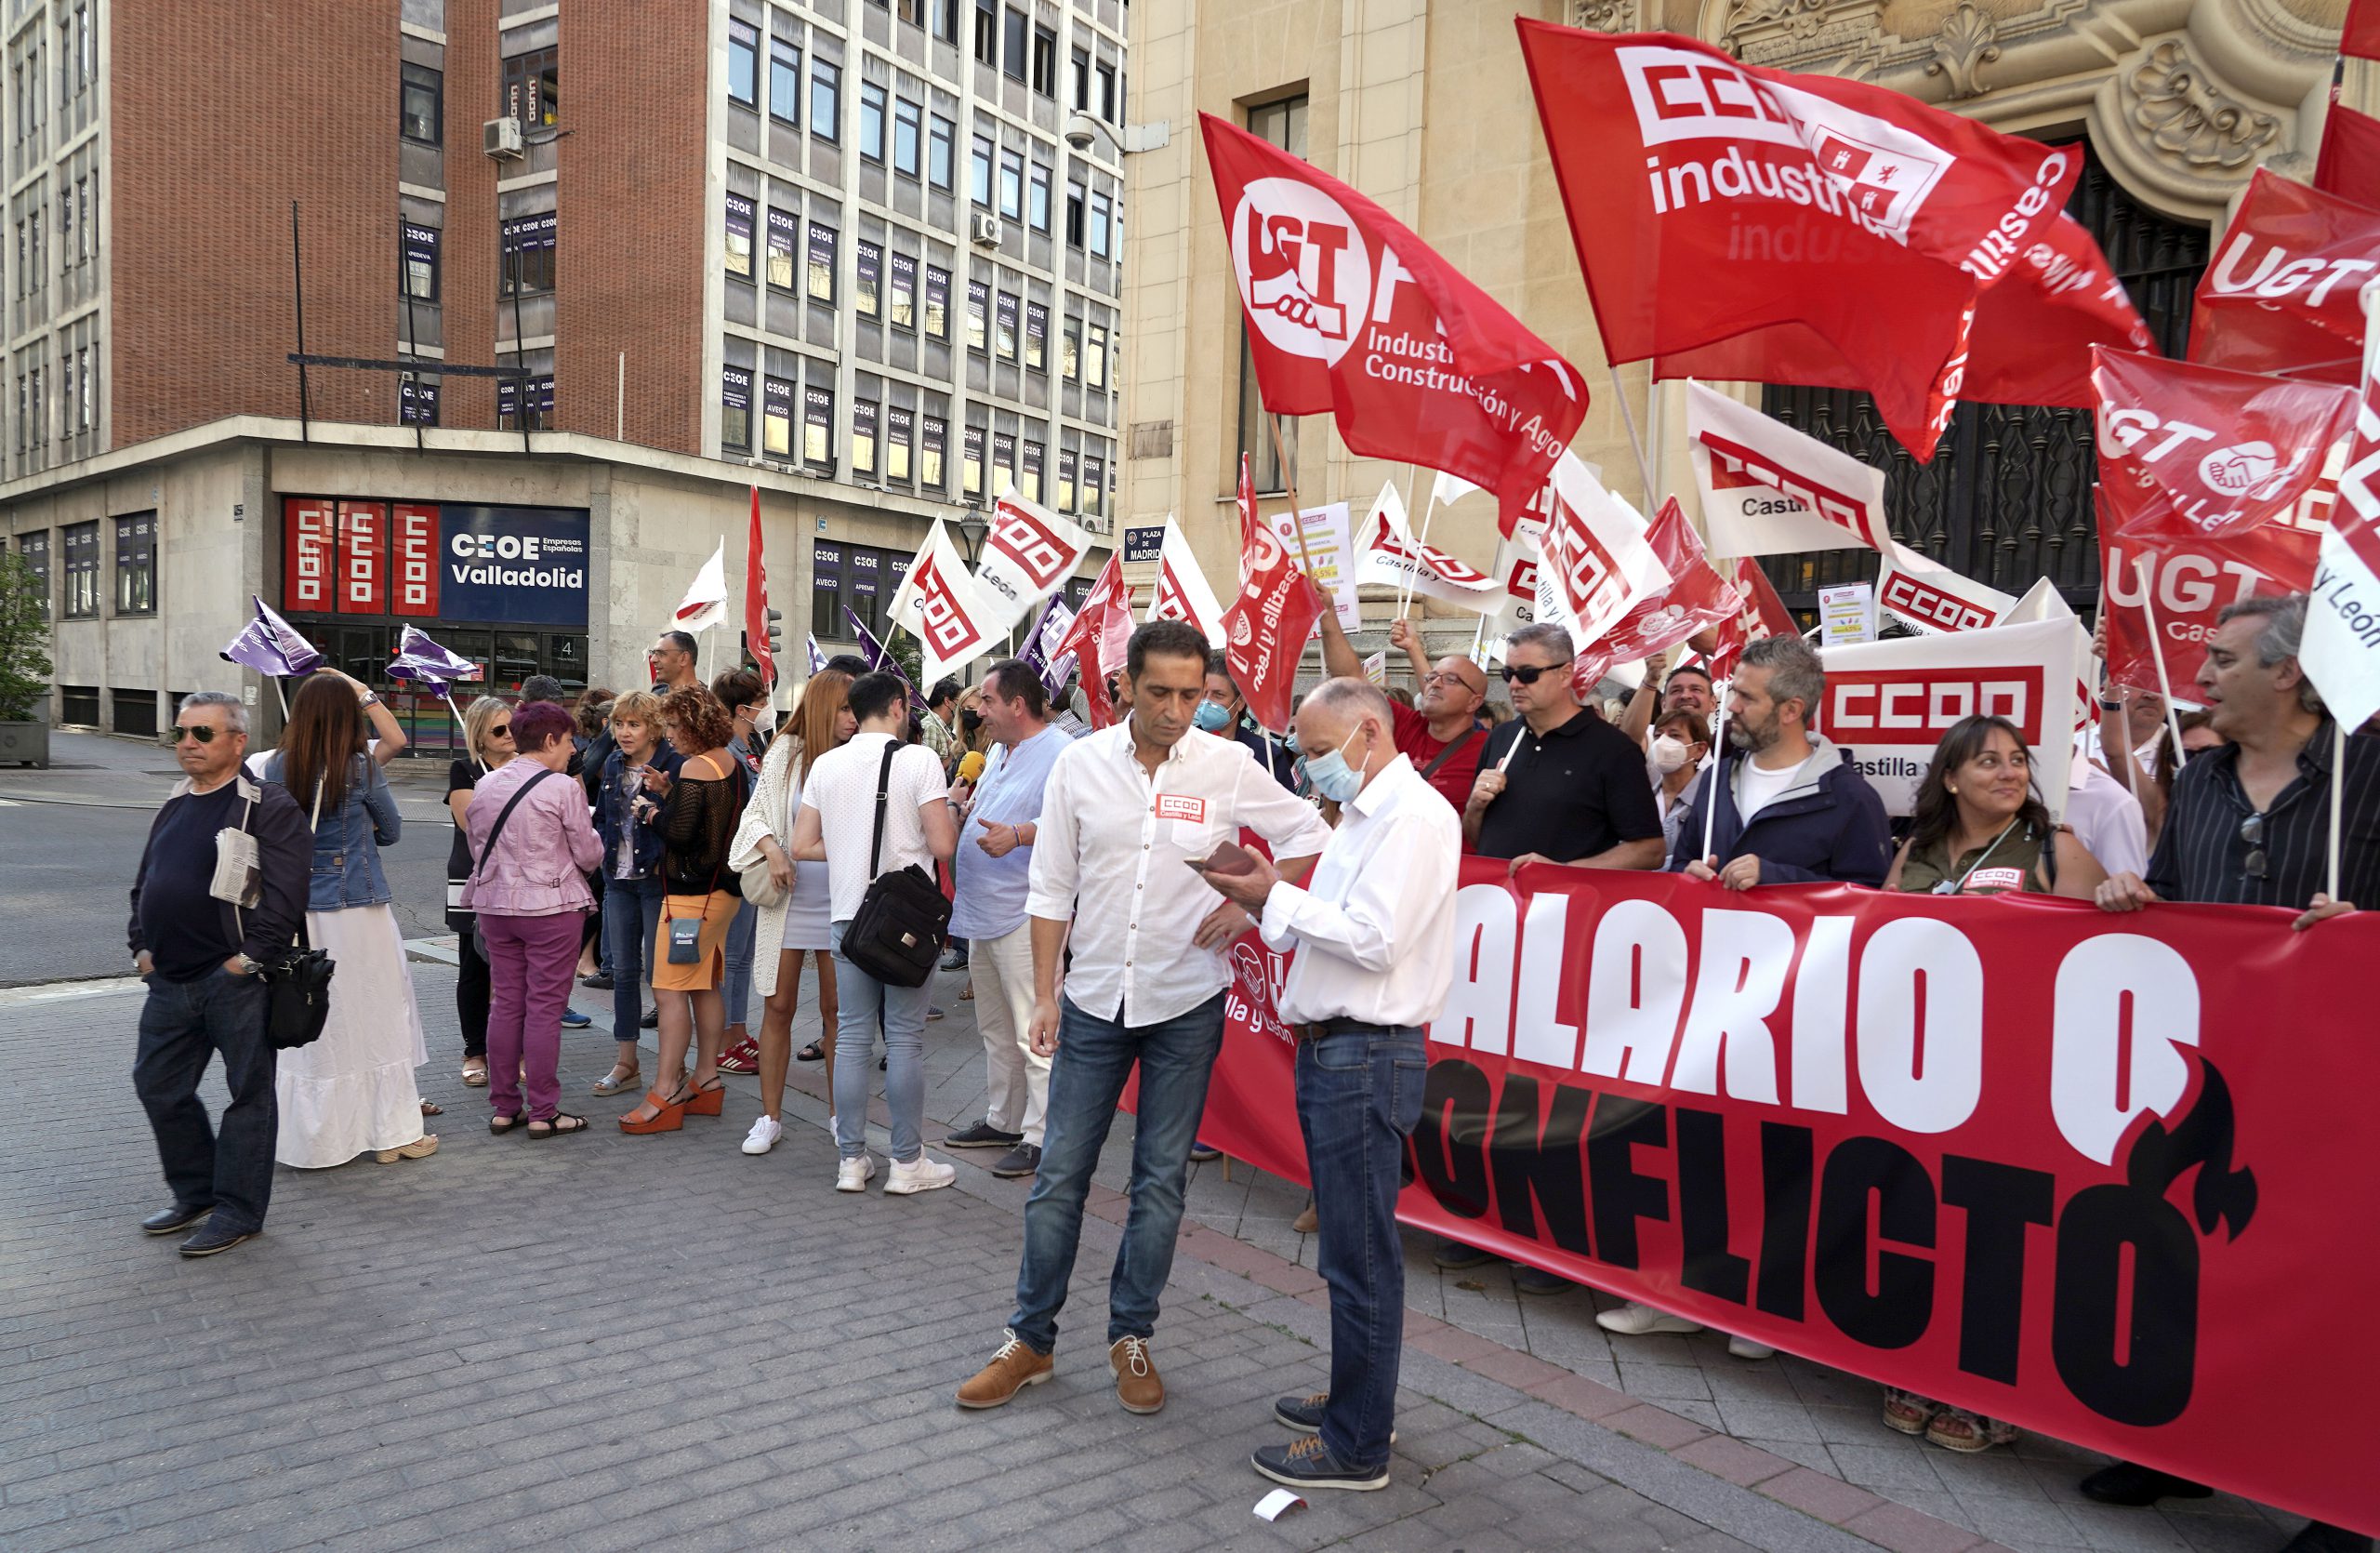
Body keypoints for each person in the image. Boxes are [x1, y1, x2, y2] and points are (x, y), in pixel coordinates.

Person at [955, 620, 1330, 1415]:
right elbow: (1052, 884)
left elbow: (1312, 831)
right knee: (1059, 1177)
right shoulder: (1081, 765)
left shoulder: (1229, 764)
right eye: (1160, 691)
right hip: (1092, 999)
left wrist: (1252, 905)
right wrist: (1048, 994)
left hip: (1186, 1000)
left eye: (1193, 694)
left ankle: (1133, 1335)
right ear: (1125, 685)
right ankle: (1031, 1340)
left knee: (1159, 1184)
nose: (1176, 708)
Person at [2089, 595, 2377, 1553]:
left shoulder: (2367, 775)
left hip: (2338, 1083)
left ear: (2287, 671)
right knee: (2195, 1252)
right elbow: (2174, 896)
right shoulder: (2201, 777)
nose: (2199, 675)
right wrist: (2133, 894)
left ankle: (2342, 1495)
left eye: (2218, 658)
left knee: (2330, 1276)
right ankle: (2184, 1446)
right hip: (2212, 1074)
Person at [1200, 678, 1461, 1493]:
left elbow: (1375, 942)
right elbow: (1333, 923)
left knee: (1361, 1259)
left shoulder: (1415, 819)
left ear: (1371, 734)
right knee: (1349, 1252)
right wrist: (1268, 895)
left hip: (1366, 1052)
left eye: (1318, 753)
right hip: (1339, 1050)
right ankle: (1356, 1400)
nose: (1312, 772)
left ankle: (1357, 1444)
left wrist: (1273, 895)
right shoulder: (1371, 815)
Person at [1868, 713, 2108, 1453]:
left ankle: (1994, 1393)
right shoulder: (1915, 847)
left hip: (2018, 1070)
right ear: (1949, 778)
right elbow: (1873, 937)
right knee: (1927, 1217)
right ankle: (1926, 1366)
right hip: (1924, 1067)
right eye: (1987, 763)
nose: (2007, 774)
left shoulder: (2056, 847)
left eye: (2016, 761)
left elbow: (2102, 953)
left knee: (2000, 1229)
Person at [127, 692, 311, 1258]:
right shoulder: (176, 801)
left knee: (248, 1097)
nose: (188, 743)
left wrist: (246, 960)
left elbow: (286, 894)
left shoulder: (266, 806)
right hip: (169, 979)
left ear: (238, 741)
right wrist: (140, 945)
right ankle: (197, 1193)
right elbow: (146, 879)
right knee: (158, 1086)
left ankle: (237, 1210)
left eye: (202, 733)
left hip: (233, 980)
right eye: (181, 733)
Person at [787, 670, 959, 1192]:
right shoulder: (917, 759)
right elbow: (943, 845)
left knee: (854, 1036)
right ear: (900, 706)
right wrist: (953, 809)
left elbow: (801, 844)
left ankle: (851, 1161)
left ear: (855, 711)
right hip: (904, 918)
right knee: (905, 1039)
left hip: (848, 917)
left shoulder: (827, 764)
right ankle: (908, 1164)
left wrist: (850, 850)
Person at [260, 670, 440, 1169]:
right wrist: (364, 693)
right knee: (376, 1017)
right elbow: (392, 831)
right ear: (346, 716)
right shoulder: (359, 766)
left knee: (317, 1021)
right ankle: (390, 1132)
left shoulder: (272, 765)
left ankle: (315, 1139)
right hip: (358, 908)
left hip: (299, 912)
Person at [940, 660, 1069, 1179]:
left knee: (1033, 1029)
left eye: (988, 702)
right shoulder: (995, 751)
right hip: (982, 911)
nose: (978, 710)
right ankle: (1005, 1118)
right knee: (996, 1028)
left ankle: (1043, 1137)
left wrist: (1017, 835)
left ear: (1018, 704)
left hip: (1026, 913)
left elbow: (1074, 821)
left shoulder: (1063, 752)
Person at [461, 699, 604, 1140]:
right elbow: (588, 854)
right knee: (543, 1007)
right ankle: (543, 1110)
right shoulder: (562, 788)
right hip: (551, 908)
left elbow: (476, 846)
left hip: (495, 906)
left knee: (505, 1003)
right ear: (548, 740)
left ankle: (505, 1108)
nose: (571, 751)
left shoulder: (486, 785)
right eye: (567, 742)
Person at [728, 668, 853, 1154]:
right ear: (823, 708)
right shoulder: (787, 751)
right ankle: (770, 1117)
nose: (851, 718)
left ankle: (843, 1115)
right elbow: (754, 814)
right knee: (778, 1006)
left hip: (842, 899)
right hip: (789, 899)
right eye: (844, 708)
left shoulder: (858, 756)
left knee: (837, 1013)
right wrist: (774, 851)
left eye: (855, 709)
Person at [1666, 632, 1893, 888]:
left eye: (1747, 697)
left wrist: (1774, 877)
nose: (1733, 707)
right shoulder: (1716, 778)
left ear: (1791, 710)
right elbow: (1683, 860)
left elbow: (1868, 899)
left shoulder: (1851, 797)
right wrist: (1687, 873)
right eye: (1734, 693)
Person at [616, 687, 745, 1134]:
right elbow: (712, 819)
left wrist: (651, 811)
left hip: (693, 896)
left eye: (672, 726)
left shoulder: (696, 765)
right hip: (719, 893)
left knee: (669, 992)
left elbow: (684, 833)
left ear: (692, 724)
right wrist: (672, 793)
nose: (668, 735)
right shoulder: (726, 760)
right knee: (706, 984)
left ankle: (666, 1089)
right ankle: (706, 1078)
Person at [1465, 621, 1665, 871]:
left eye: (1528, 674)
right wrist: (1474, 807)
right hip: (1496, 901)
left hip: (1567, 906)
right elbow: (1478, 839)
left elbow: (1651, 850)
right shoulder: (1501, 737)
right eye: (1509, 674)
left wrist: (1561, 870)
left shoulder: (1614, 750)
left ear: (1565, 674)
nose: (1514, 684)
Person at [591, 691, 682, 1095]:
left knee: (660, 976)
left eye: (634, 725)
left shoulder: (673, 764)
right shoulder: (612, 762)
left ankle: (671, 1068)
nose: (624, 733)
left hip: (656, 881)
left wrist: (663, 794)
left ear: (654, 728)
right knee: (624, 973)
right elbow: (602, 821)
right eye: (619, 724)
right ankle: (627, 1061)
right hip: (618, 880)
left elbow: (684, 824)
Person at [1317, 611, 1491, 811]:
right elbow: (1350, 679)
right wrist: (1328, 614)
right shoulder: (1405, 725)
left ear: (1473, 702)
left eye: (1451, 680)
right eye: (1432, 677)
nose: (1435, 683)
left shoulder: (1488, 750)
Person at [445, 696, 517, 1088]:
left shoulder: (528, 765)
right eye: (499, 730)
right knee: (473, 965)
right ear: (479, 735)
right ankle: (475, 1050)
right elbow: (471, 823)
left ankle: (513, 1050)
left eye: (513, 727)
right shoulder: (465, 769)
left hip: (519, 880)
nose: (510, 736)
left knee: (514, 968)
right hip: (473, 877)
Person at [712, 667, 774, 1074]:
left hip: (751, 866)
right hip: (734, 868)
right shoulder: (726, 751)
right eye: (762, 703)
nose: (768, 710)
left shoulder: (750, 744)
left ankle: (738, 1028)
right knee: (732, 958)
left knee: (744, 955)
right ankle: (724, 1041)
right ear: (742, 708)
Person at [1197, 654, 1299, 790]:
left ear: (1239, 703)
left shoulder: (1266, 756)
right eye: (1203, 694)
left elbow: (1286, 808)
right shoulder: (1181, 745)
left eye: (1218, 695)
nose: (1207, 702)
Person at [1648, 708, 1710, 856]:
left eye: (1674, 736)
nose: (1662, 742)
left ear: (1699, 749)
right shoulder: (1641, 799)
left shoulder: (1712, 799)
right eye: (1658, 736)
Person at [920, 675, 962, 773]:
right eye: (960, 702)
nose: (962, 707)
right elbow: (928, 771)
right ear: (947, 701)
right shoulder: (931, 727)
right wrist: (954, 755)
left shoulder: (944, 728)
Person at [647, 629, 701, 697]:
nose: (652, 660)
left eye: (661, 653)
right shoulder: (653, 701)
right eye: (653, 653)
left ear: (684, 658)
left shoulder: (711, 702)